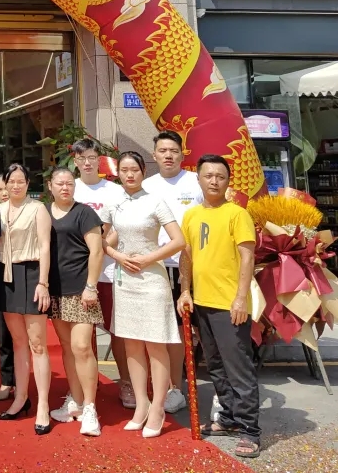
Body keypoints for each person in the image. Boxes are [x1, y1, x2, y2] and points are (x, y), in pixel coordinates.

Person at [177, 155, 260, 459]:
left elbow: (248, 257)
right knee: (215, 366)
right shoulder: (191, 215)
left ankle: (250, 430)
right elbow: (186, 256)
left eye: (220, 176)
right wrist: (185, 291)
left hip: (229, 305)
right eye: (208, 175)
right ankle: (228, 418)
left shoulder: (237, 214)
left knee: (238, 368)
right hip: (202, 302)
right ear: (198, 178)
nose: (214, 181)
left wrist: (240, 298)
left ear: (228, 181)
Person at [102, 152, 185, 439]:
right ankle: (142, 404)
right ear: (118, 174)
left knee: (155, 345)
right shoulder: (115, 204)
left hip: (152, 280)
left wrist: (149, 258)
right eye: (124, 170)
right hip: (125, 281)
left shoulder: (155, 201)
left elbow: (179, 240)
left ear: (143, 172)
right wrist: (118, 256)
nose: (129, 174)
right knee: (132, 345)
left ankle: (158, 407)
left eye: (134, 170)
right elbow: (102, 241)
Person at [142, 130, 203, 414]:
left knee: (188, 327)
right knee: (163, 327)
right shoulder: (147, 186)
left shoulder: (196, 182)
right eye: (163, 151)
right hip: (157, 266)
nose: (168, 155)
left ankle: (181, 386)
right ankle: (169, 387)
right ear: (154, 155)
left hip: (193, 265)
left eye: (173, 151)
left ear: (183, 154)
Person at [71, 138, 132, 407]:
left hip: (109, 272)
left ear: (99, 160)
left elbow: (121, 225)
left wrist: (101, 246)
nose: (87, 162)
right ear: (75, 161)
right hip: (77, 274)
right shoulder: (69, 187)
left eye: (91, 157)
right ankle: (87, 386)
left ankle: (126, 382)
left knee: (118, 331)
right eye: (81, 158)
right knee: (83, 336)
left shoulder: (114, 191)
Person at [45, 167, 104, 437]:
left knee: (82, 347)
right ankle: (76, 401)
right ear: (50, 186)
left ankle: (90, 407)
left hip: (81, 290)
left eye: (69, 183)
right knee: (67, 348)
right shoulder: (44, 212)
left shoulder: (84, 213)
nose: (65, 187)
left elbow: (97, 251)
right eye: (60, 183)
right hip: (55, 290)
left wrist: (91, 286)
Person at [0, 164, 53, 434]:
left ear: (28, 184)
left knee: (37, 344)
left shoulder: (37, 209)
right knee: (18, 342)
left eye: (21, 181)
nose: (16, 186)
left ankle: (43, 404)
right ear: (5, 185)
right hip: (6, 277)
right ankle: (21, 397)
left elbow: (44, 246)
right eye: (12, 181)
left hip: (31, 274)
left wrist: (43, 283)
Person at [0, 173, 16, 402]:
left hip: (23, 272)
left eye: (7, 187)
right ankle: (7, 380)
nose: (4, 193)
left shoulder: (30, 210)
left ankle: (25, 382)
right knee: (4, 333)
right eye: (0, 189)